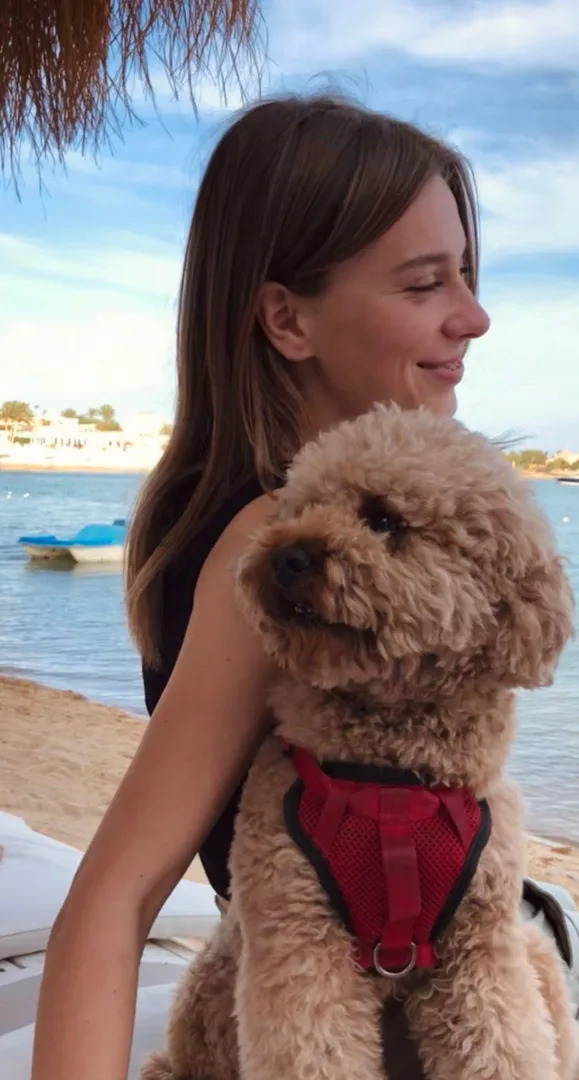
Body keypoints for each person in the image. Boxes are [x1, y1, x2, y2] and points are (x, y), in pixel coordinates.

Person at [31, 93, 490, 1079]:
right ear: (287, 318)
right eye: (425, 283)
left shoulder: (230, 507)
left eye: (467, 273)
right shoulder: (279, 548)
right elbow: (116, 894)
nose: (473, 316)